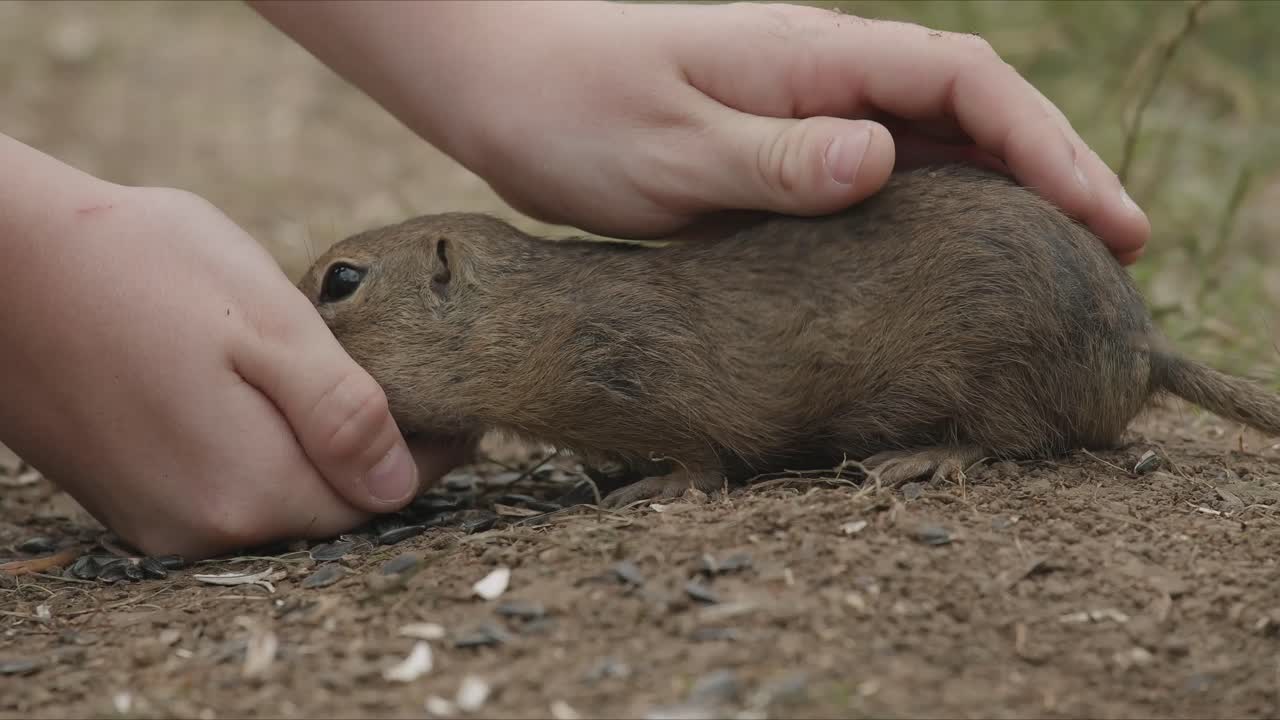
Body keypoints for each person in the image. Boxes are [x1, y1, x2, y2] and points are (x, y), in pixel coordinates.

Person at [0, 1, 1150, 560]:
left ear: (450, 277)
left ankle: (999, 430)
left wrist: (481, 49)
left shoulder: (573, 336)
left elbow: (703, 393)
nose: (314, 324)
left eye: (342, 291)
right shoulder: (542, 359)